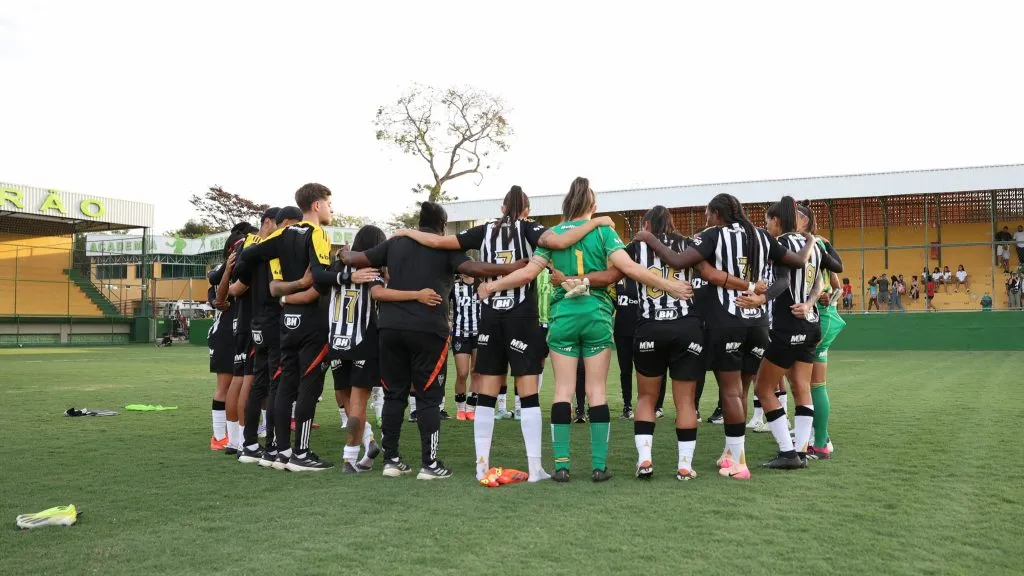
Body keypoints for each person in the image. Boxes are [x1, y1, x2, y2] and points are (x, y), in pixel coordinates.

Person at [479, 177, 696, 483]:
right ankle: (598, 466)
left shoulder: (552, 235)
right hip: (595, 316)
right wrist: (671, 286)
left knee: (563, 391)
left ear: (566, 205)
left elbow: (527, 273)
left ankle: (563, 466)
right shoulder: (604, 231)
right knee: (596, 391)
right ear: (593, 206)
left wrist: (494, 286)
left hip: (563, 316)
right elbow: (631, 269)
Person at [393, 185, 612, 483]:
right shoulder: (530, 228)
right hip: (521, 315)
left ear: (501, 208)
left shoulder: (484, 230)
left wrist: (407, 233)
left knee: (486, 389)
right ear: (527, 210)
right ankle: (535, 469)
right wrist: (596, 221)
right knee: (528, 391)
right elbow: (559, 242)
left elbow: (439, 241)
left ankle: (482, 465)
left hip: (491, 315)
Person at [340, 202, 525, 480]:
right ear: (442, 225)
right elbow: (472, 267)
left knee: (394, 395)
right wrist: (510, 267)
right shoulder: (443, 246)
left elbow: (356, 258)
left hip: (389, 329)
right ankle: (430, 464)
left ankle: (392, 461)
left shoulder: (395, 243)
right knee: (428, 398)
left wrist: (343, 252)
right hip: (428, 330)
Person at [634, 193, 812, 480]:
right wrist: (763, 297)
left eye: (707, 214)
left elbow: (678, 260)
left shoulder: (715, 235)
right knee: (740, 390)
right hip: (758, 325)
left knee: (730, 392)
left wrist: (649, 238)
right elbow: (790, 270)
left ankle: (740, 462)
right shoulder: (763, 236)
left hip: (727, 322)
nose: (706, 220)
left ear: (717, 214)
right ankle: (731, 452)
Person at [236, 183, 335, 471]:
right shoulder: (316, 233)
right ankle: (300, 455)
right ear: (316, 205)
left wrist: (287, 291)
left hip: (287, 320)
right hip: (311, 320)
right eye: (329, 203)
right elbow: (318, 277)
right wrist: (340, 275)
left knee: (283, 385)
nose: (331, 208)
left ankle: (278, 451)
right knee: (307, 386)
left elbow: (250, 258)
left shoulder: (281, 235)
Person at [739, 196, 841, 471]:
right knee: (801, 387)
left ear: (776, 221)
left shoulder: (780, 244)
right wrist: (809, 303)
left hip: (787, 325)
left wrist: (761, 299)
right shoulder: (815, 246)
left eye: (767, 221)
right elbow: (823, 278)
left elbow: (783, 281)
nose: (766, 225)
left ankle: (787, 452)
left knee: (763, 387)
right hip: (811, 324)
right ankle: (802, 449)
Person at [227, 207, 280, 463]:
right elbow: (236, 287)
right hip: (256, 324)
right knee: (254, 382)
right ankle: (247, 442)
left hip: (246, 323)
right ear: (268, 222)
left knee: (247, 381)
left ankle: (240, 441)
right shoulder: (257, 249)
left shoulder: (252, 249)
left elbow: (231, 287)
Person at [798, 202, 843, 460]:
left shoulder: (812, 245)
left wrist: (825, 297)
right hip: (823, 319)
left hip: (815, 319)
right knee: (815, 384)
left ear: (804, 221)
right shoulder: (820, 244)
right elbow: (836, 281)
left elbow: (835, 279)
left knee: (808, 384)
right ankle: (821, 437)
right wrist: (831, 296)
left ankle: (819, 440)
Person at [450, 273, 482, 420]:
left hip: (478, 334)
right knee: (462, 373)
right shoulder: (454, 286)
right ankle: (460, 408)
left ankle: (470, 408)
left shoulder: (481, 285)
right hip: (460, 334)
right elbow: (443, 305)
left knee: (476, 372)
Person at [612, 275, 639, 420]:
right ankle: (627, 406)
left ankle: (650, 406)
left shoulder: (643, 275)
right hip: (622, 332)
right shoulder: (617, 279)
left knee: (645, 371)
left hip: (641, 331)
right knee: (625, 371)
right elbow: (611, 302)